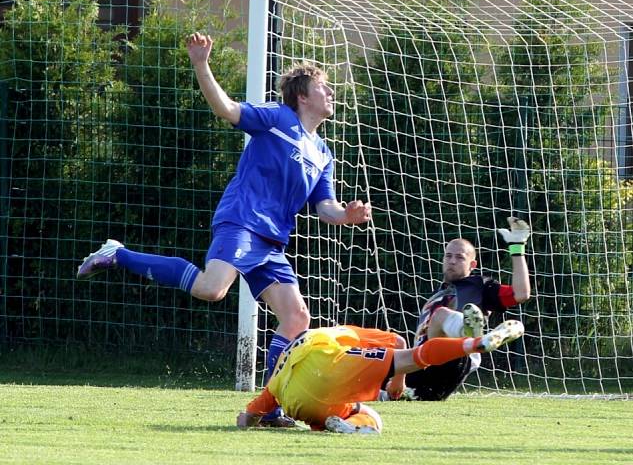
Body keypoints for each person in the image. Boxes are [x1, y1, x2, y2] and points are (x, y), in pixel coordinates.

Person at [77, 33, 371, 425]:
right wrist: (201, 64)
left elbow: (326, 208)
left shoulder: (323, 153)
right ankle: (118, 253)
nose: (331, 91)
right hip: (243, 220)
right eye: (323, 86)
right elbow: (228, 109)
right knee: (211, 289)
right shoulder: (278, 119)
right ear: (302, 95)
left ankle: (269, 409)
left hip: (271, 240)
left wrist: (346, 215)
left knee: (297, 318)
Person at [236, 318, 525, 434]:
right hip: (328, 359)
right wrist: (397, 382)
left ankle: (334, 425)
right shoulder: (334, 332)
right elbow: (399, 343)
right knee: (414, 358)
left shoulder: (276, 380)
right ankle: (475, 344)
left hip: (296, 399)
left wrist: (250, 419)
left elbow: (245, 420)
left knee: (342, 410)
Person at [384, 216, 531, 402]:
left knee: (440, 316)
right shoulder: (435, 296)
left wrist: (517, 248)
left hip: (453, 359)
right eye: (448, 256)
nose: (452, 261)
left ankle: (471, 334)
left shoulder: (480, 286)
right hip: (420, 369)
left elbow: (521, 294)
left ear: (472, 265)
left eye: (459, 257)